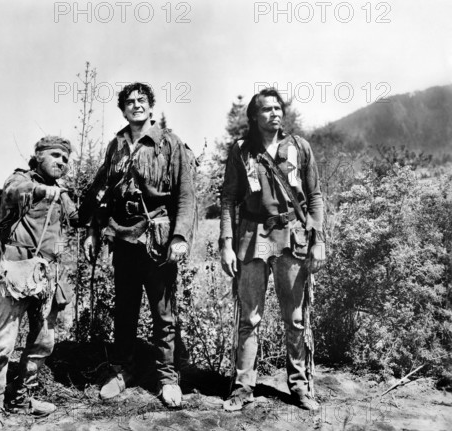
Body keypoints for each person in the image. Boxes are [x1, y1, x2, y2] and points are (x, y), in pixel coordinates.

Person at [79, 82, 196, 408]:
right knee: (125, 312)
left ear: (150, 105)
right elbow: (102, 192)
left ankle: (167, 378)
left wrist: (179, 237)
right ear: (123, 108)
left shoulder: (168, 144)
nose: (135, 105)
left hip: (158, 242)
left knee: (164, 315)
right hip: (123, 239)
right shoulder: (116, 146)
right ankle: (122, 371)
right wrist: (92, 230)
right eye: (129, 102)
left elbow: (186, 195)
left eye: (141, 100)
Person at [219, 88, 326, 412]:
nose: (274, 113)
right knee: (249, 318)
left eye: (278, 107)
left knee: (295, 318)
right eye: (266, 109)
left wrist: (318, 241)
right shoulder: (241, 151)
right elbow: (228, 200)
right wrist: (226, 244)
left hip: (291, 235)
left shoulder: (299, 148)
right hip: (252, 236)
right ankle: (242, 388)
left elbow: (315, 196)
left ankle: (300, 387)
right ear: (254, 116)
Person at [0, 136, 78, 428]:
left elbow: (77, 217)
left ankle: (24, 398)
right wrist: (42, 190)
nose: (60, 161)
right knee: (2, 345)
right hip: (14, 273)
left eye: (65, 158)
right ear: (37, 156)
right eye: (54, 155)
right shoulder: (20, 180)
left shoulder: (61, 192)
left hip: (47, 277)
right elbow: (15, 191)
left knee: (42, 343)